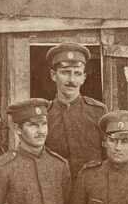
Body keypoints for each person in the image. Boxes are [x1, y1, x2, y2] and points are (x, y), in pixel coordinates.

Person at [45, 43, 105, 177]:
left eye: (77, 73)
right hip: (57, 189)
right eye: (65, 73)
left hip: (91, 189)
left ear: (83, 78)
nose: (71, 80)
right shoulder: (45, 114)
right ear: (53, 75)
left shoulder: (98, 112)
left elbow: (108, 157)